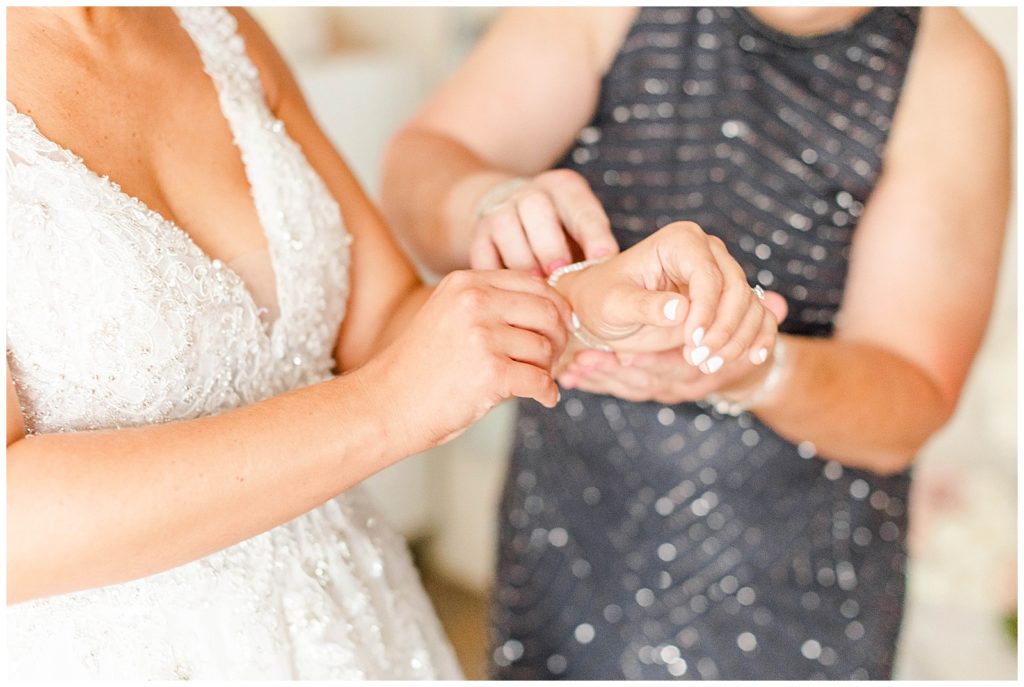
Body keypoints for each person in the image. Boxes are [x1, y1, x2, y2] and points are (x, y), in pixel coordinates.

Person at [5, 7, 773, 679]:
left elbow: (381, 325)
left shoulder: (217, 28)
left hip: (352, 623)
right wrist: (385, 409)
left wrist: (582, 305)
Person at [381, 6, 1010, 680]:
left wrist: (758, 370)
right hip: (566, 545)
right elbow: (423, 163)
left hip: (794, 595)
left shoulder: (946, 69)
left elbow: (910, 402)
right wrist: (493, 206)